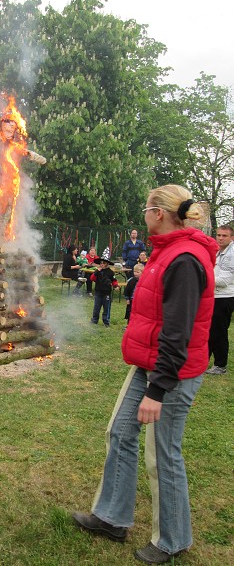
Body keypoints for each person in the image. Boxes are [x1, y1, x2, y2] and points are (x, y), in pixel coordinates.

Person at [72, 184, 218, 565]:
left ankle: (173, 540)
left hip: (172, 373)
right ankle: (111, 518)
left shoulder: (184, 259)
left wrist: (158, 390)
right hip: (148, 365)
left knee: (162, 454)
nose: (143, 215)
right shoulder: (166, 252)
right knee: (120, 431)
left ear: (159, 213)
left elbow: (178, 332)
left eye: (145, 208)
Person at [206, 224, 234, 375]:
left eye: (225, 236)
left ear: (232, 238)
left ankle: (220, 365)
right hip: (214, 295)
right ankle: (205, 360)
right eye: (219, 235)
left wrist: (204, 278)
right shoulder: (218, 251)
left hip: (225, 297)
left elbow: (225, 280)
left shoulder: (231, 254)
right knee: (209, 330)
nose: (221, 238)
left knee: (219, 331)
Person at [89, 248, 119, 327]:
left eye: (103, 263)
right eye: (101, 263)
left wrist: (116, 286)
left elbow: (114, 280)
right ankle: (94, 320)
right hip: (98, 292)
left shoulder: (110, 272)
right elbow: (92, 278)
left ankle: (106, 321)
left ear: (107, 264)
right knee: (96, 307)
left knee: (106, 308)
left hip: (107, 293)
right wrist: (96, 272)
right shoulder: (98, 271)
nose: (102, 264)